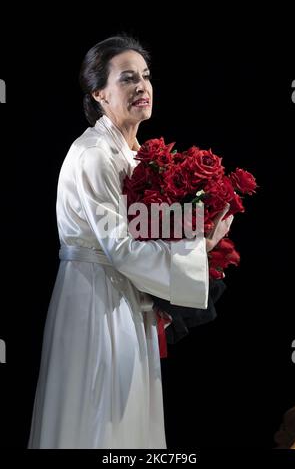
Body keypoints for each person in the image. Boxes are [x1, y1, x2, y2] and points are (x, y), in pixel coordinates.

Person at [28, 35, 233, 449]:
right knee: (99, 412)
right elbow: (120, 246)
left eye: (146, 76)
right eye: (128, 79)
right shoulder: (94, 155)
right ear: (99, 94)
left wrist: (192, 222)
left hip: (123, 297)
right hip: (94, 298)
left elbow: (142, 228)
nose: (142, 86)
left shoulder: (131, 154)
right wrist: (200, 248)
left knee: (127, 415)